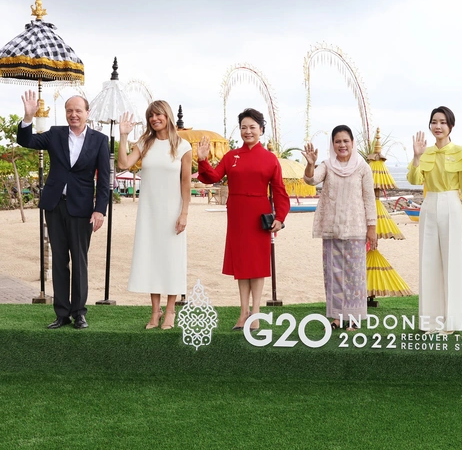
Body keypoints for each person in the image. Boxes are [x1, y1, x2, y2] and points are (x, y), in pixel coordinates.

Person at [17, 91, 110, 329]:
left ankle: (79, 313)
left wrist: (100, 210)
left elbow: (104, 179)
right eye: (69, 110)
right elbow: (26, 141)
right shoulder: (55, 134)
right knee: (59, 260)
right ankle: (61, 314)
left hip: (82, 209)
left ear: (87, 113)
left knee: (79, 261)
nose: (73, 114)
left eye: (78, 110)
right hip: (55, 205)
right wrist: (28, 117)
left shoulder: (99, 140)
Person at [196, 108, 290, 330]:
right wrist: (202, 159)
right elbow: (213, 177)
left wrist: (280, 217)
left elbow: (279, 190)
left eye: (252, 127)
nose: (248, 131)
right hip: (237, 214)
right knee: (242, 264)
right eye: (244, 127)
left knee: (257, 265)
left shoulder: (271, 159)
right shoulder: (231, 156)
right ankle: (243, 312)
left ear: (261, 130)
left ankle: (255, 313)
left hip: (259, 215)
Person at [117, 101, 192, 330]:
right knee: (152, 258)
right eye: (151, 115)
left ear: (167, 116)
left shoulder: (182, 146)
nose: (154, 119)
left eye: (159, 114)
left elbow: (186, 182)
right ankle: (154, 311)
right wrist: (123, 136)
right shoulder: (145, 143)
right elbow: (123, 164)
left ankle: (170, 311)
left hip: (172, 211)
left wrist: (184, 213)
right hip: (149, 211)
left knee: (171, 259)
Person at [302, 125, 377, 330]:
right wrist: (310, 164)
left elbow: (369, 199)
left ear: (352, 143)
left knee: (354, 275)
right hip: (331, 228)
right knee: (333, 274)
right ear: (332, 144)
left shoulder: (362, 167)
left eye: (345, 141)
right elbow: (311, 180)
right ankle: (336, 317)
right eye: (337, 141)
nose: (342, 145)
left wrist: (372, 227)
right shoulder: (327, 165)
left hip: (356, 229)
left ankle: (353, 318)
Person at [407, 106, 462, 334]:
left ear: (450, 126)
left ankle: (452, 322)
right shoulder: (425, 153)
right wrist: (416, 157)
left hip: (452, 205)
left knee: (453, 262)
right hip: (429, 205)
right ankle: (430, 322)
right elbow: (414, 180)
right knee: (428, 262)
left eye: (443, 122)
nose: (438, 126)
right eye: (434, 122)